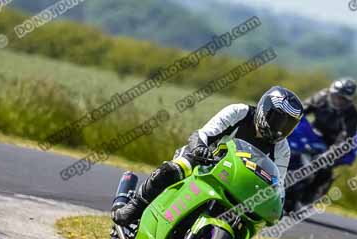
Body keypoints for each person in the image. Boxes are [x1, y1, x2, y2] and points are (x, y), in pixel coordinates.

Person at [112, 86, 304, 227]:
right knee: (176, 168)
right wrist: (200, 149)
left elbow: (276, 184)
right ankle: (135, 207)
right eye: (278, 120)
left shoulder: (282, 149)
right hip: (204, 162)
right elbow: (202, 134)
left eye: (287, 125)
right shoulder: (239, 112)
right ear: (265, 110)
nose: (280, 129)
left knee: (249, 223)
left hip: (238, 183)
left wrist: (274, 204)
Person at [299, 78, 357, 202]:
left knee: (324, 165)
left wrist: (331, 153)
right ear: (331, 93)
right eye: (336, 96)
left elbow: (347, 138)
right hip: (312, 133)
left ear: (349, 100)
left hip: (333, 143)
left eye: (343, 99)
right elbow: (301, 110)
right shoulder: (322, 97)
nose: (338, 101)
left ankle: (311, 194)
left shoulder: (352, 115)